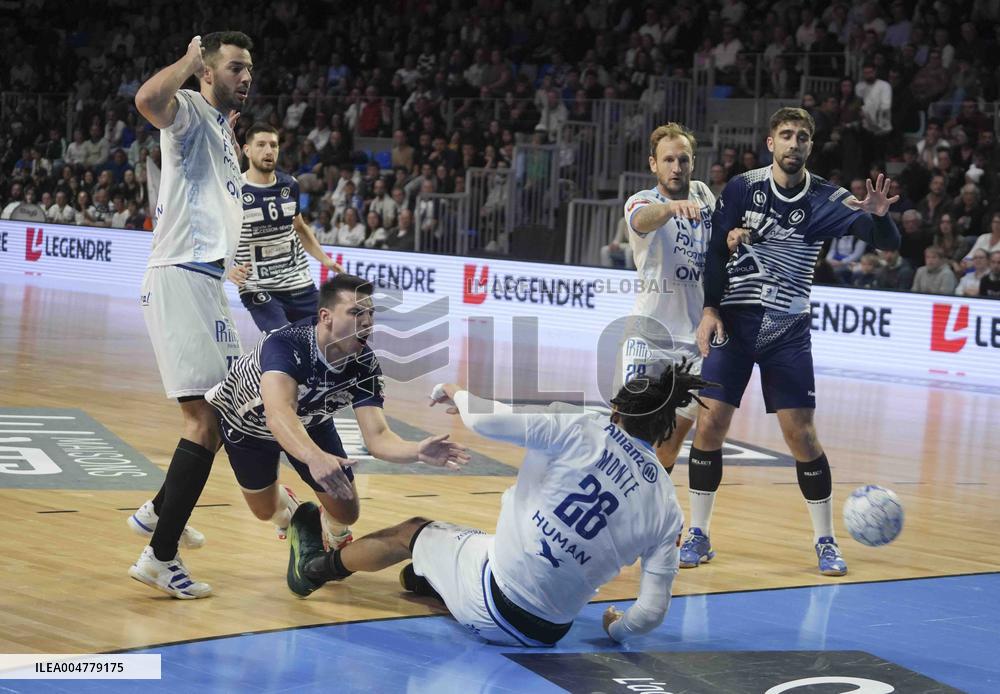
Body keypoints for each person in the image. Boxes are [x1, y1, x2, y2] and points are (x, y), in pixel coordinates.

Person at [286, 361, 714, 647]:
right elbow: (653, 611)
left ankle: (313, 570)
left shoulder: (582, 429)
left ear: (616, 410)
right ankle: (430, 580)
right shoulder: (667, 505)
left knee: (411, 531)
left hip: (491, 598)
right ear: (667, 426)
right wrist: (618, 630)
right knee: (479, 545)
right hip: (550, 633)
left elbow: (487, 420)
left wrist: (454, 389)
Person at [688, 107, 901, 577]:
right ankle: (699, 534)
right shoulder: (743, 187)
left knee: (800, 435)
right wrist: (709, 310)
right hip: (735, 325)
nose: (794, 143)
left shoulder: (830, 198)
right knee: (709, 426)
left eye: (803, 137)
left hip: (787, 330)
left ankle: (825, 541)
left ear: (810, 147)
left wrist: (881, 218)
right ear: (771, 143)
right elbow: (715, 252)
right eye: (786, 135)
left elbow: (885, 240)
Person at [206, 274, 469, 554]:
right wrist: (314, 457)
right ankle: (292, 515)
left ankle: (332, 535)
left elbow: (378, 437)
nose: (367, 321)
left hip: (313, 422)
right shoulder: (288, 344)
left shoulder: (365, 365)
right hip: (248, 425)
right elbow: (279, 415)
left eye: (370, 313)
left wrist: (417, 451)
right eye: (356, 313)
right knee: (265, 510)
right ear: (326, 316)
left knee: (347, 512)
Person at [127, 32, 253, 599]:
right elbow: (149, 102)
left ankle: (160, 512)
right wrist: (184, 60)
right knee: (204, 422)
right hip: (179, 277)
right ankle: (159, 554)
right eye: (234, 67)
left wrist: (234, 261)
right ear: (208, 70)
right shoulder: (193, 111)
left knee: (225, 413)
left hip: (207, 284)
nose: (245, 77)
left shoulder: (225, 131)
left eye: (249, 69)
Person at [614, 122, 714, 473]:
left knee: (669, 447)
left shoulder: (704, 195)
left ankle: (651, 511)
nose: (677, 167)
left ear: (693, 162)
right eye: (668, 160)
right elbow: (642, 220)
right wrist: (672, 209)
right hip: (648, 337)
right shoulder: (642, 201)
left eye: (683, 159)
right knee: (626, 434)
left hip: (694, 343)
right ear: (653, 164)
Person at [227, 123, 343, 334]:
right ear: (247, 150)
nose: (269, 151)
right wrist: (227, 268)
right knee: (285, 340)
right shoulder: (233, 190)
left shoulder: (290, 184)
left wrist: (325, 259)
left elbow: (299, 227)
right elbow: (215, 234)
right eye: (261, 145)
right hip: (258, 287)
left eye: (274, 145)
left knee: (331, 335)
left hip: (299, 282)